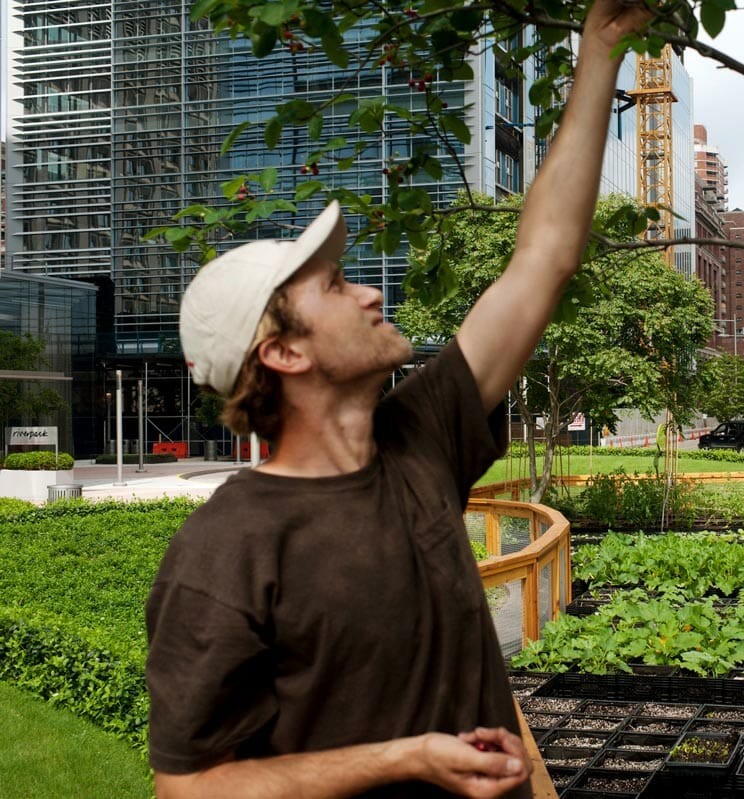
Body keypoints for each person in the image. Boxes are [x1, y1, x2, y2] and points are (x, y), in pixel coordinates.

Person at [144, 2, 651, 796]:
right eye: (340, 286)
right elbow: (190, 787)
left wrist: (602, 49)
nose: (374, 291)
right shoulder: (226, 550)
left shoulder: (418, 438)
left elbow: (542, 258)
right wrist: (406, 756)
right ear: (283, 352)